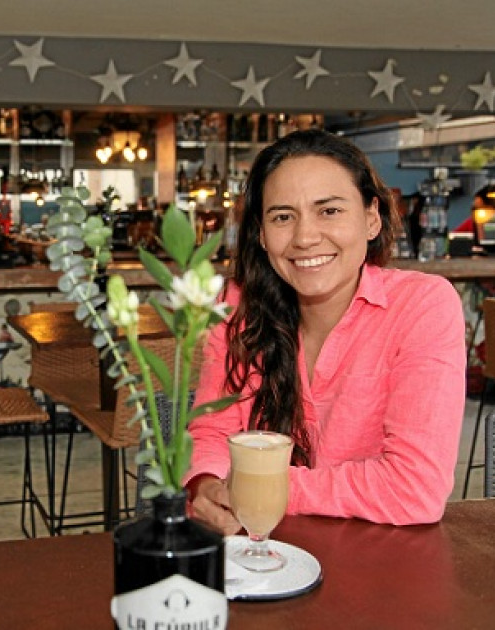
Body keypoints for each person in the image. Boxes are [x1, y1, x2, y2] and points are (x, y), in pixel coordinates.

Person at [186, 129, 466, 532]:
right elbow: (213, 430)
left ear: (371, 218)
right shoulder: (239, 306)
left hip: (377, 564)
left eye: (329, 211)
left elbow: (414, 489)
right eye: (283, 217)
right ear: (261, 235)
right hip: (263, 557)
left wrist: (261, 487)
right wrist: (207, 484)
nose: (305, 237)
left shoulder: (422, 306)